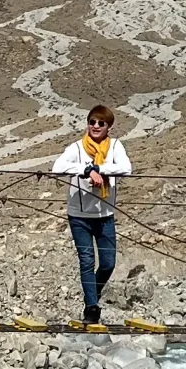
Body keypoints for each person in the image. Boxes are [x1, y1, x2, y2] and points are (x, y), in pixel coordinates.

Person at [52, 103, 132, 323]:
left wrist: (100, 170)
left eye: (101, 123)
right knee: (86, 260)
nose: (96, 126)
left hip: (105, 215)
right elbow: (57, 168)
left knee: (108, 263)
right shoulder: (76, 148)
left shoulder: (115, 147)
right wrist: (85, 169)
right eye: (92, 122)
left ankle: (92, 296)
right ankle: (92, 308)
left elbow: (126, 168)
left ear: (109, 127)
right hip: (79, 215)